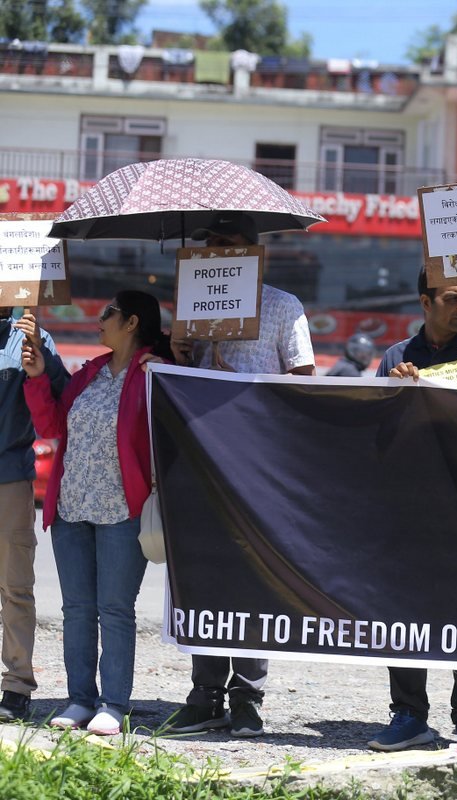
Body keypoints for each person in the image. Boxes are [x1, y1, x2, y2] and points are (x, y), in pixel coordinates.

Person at [165, 214, 315, 739]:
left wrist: (241, 387)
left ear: (254, 253)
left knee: (253, 582)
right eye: (209, 243)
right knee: (202, 579)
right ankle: (205, 694)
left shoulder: (282, 306)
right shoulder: (189, 309)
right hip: (201, 467)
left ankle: (247, 697)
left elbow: (303, 386)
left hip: (258, 471)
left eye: (227, 243)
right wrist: (180, 356)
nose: (215, 251)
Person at [368, 266, 457, 751]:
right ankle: (408, 713)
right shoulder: (395, 356)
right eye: (452, 299)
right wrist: (395, 390)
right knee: (404, 611)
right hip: (411, 507)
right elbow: (377, 432)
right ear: (425, 302)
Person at [21, 291, 173, 735]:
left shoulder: (153, 374)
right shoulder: (89, 372)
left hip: (122, 512)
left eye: (108, 313)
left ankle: (114, 703)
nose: (99, 319)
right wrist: (35, 377)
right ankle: (80, 700)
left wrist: (168, 374)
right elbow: (51, 426)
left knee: (115, 610)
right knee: (77, 610)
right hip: (71, 508)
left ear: (131, 323)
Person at [0, 308, 66, 723]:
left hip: (8, 476)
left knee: (14, 587)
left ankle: (16, 686)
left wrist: (40, 354)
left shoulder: (30, 336)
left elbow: (61, 397)